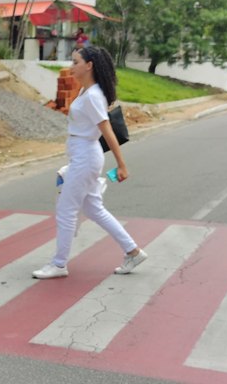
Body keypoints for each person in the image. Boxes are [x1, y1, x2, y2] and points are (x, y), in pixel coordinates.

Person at [32, 45, 147, 279]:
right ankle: (133, 251)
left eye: (75, 62)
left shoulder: (93, 95)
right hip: (83, 154)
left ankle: (59, 264)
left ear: (89, 65)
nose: (71, 66)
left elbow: (107, 131)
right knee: (94, 209)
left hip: (86, 156)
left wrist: (122, 164)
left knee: (66, 210)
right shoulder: (87, 92)